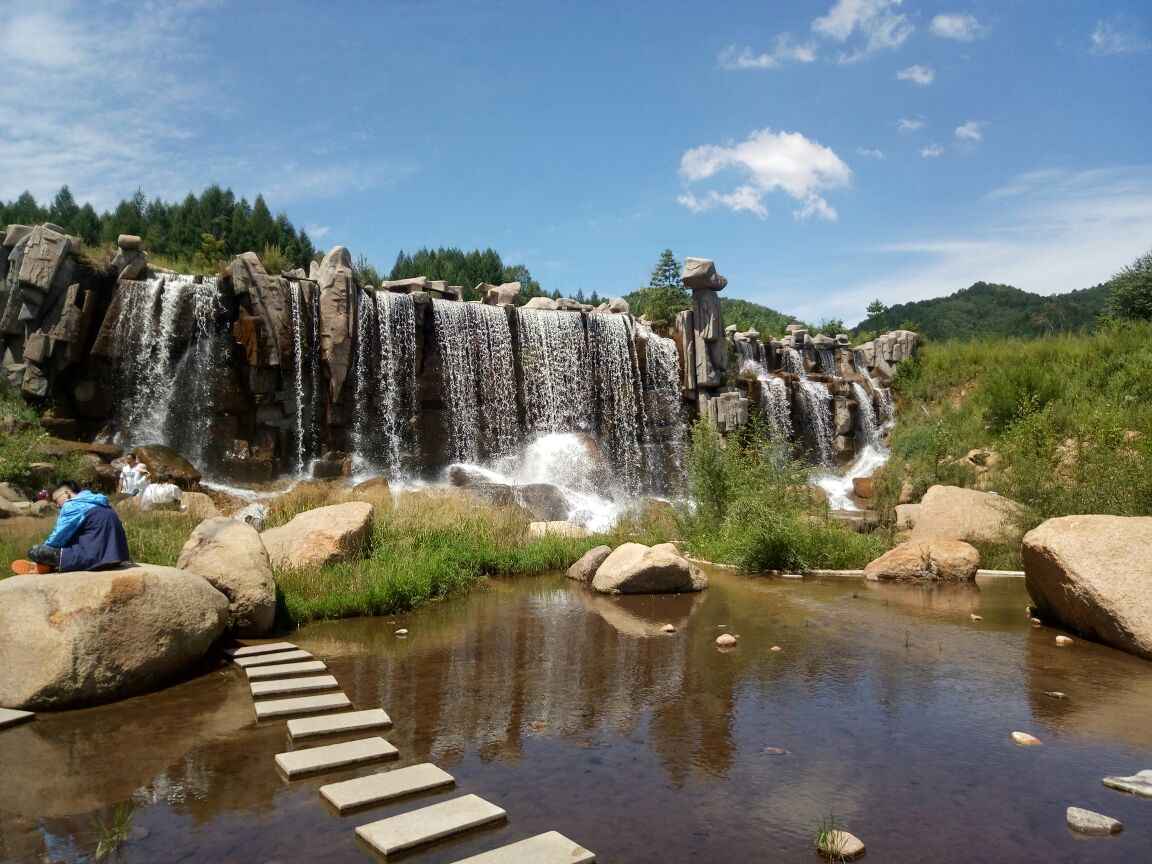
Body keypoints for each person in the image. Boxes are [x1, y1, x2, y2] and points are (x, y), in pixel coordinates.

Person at [9, 480, 130, 574]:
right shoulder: (101, 502)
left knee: (35, 550)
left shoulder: (73, 505)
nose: (56, 505)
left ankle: (44, 566)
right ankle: (49, 565)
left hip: (95, 559)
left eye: (56, 500)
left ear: (67, 493)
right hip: (118, 556)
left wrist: (43, 555)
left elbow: (57, 538)